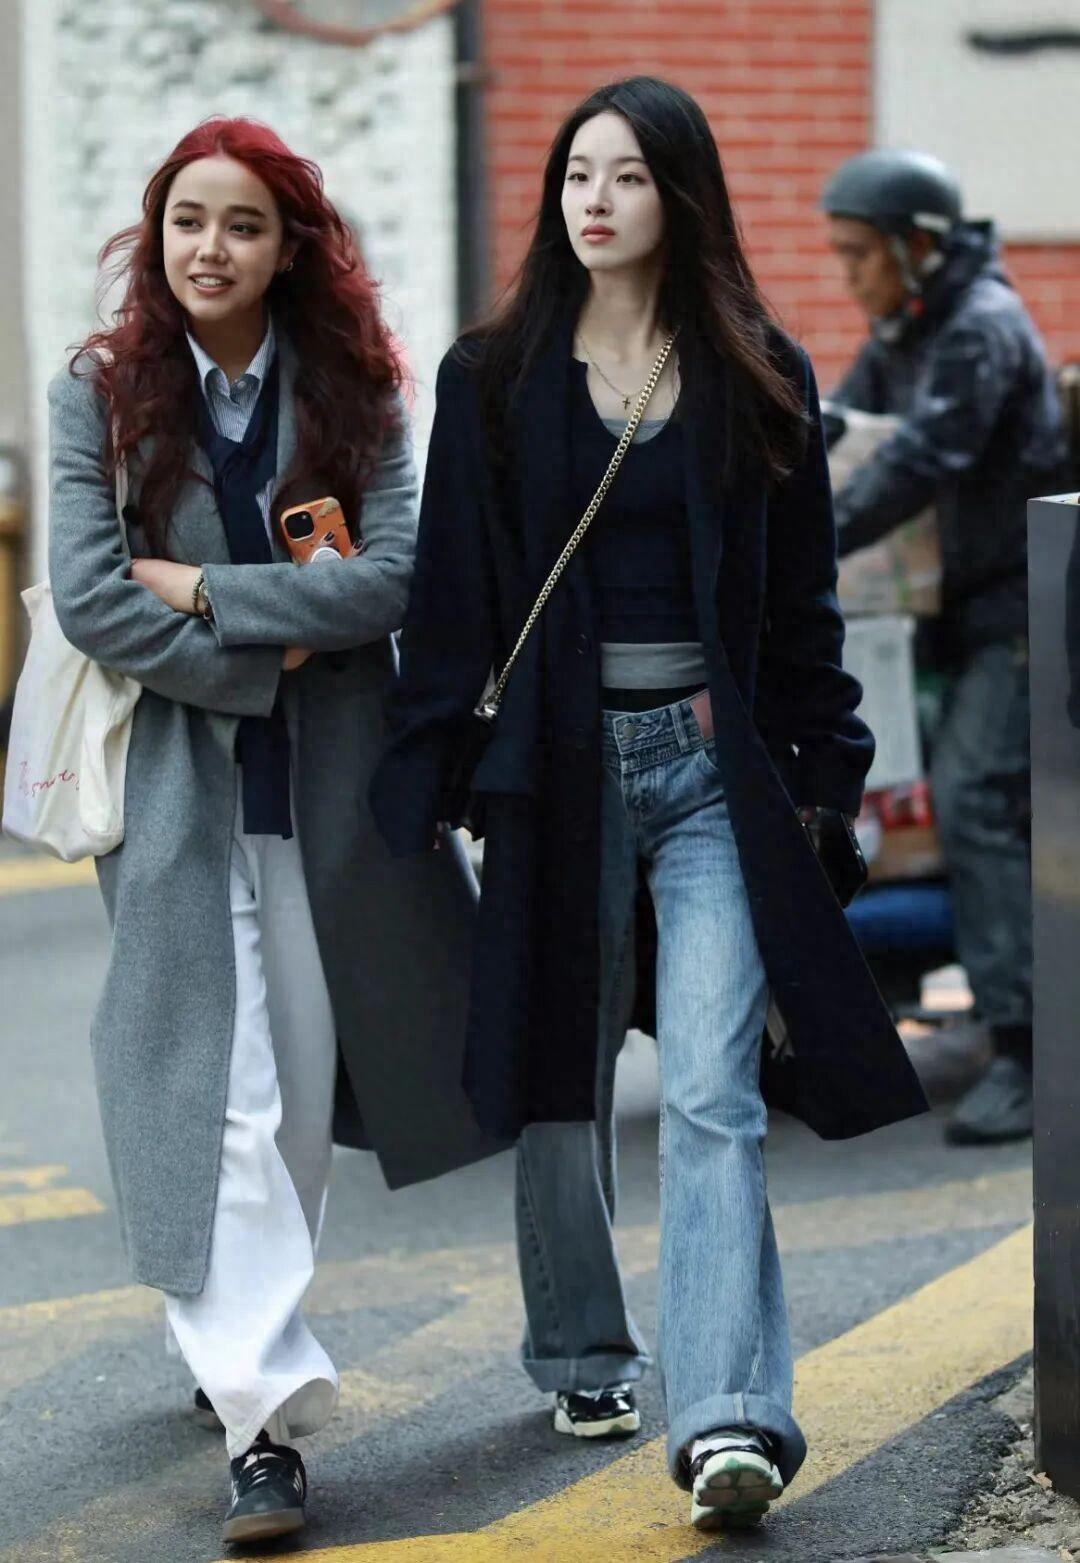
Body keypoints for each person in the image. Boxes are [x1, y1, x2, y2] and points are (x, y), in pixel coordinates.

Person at [371, 77, 927, 1533]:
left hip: (705, 773)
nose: (594, 200)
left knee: (709, 1088)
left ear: (680, 195)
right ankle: (583, 1352)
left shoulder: (759, 371)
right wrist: (430, 772)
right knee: (559, 1076)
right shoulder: (493, 378)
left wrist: (826, 775)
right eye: (577, 174)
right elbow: (453, 598)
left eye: (625, 175)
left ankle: (730, 1415)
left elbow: (800, 606)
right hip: (553, 766)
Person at [47, 117, 497, 1544]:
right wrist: (267, 651)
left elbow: (394, 579)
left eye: (242, 224)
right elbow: (91, 598)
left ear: (290, 246)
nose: (210, 248)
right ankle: (263, 1418)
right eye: (188, 220)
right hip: (177, 795)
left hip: (329, 794)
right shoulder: (99, 393)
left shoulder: (358, 390)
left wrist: (202, 591)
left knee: (294, 1100)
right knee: (219, 1090)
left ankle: (226, 1332)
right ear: (155, 236)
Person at [822, 150, 1068, 1146]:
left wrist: (817, 535)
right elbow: (846, 426)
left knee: (973, 797)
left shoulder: (981, 328)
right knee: (878, 788)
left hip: (1019, 613)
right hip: (946, 616)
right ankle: (883, 995)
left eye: (859, 254)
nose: (848, 275)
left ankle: (1030, 1051)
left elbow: (921, 458)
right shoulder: (910, 328)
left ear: (916, 246)